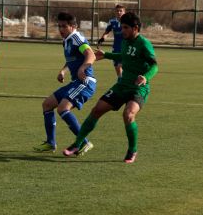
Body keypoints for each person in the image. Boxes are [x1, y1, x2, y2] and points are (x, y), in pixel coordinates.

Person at [63, 12, 158, 163]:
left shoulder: (144, 44)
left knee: (128, 115)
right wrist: (106, 55)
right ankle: (78, 143)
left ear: (136, 28)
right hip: (122, 86)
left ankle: (132, 150)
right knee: (97, 110)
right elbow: (124, 56)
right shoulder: (126, 41)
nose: (122, 31)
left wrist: (146, 77)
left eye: (126, 28)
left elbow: (154, 65)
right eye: (121, 27)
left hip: (138, 88)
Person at [33, 12, 96, 153]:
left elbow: (90, 54)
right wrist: (63, 71)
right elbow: (72, 59)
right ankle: (50, 143)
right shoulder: (67, 40)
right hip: (75, 82)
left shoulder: (76, 38)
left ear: (73, 26)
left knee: (62, 108)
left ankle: (84, 142)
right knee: (47, 104)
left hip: (85, 82)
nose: (61, 29)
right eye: (59, 26)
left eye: (64, 26)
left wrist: (83, 68)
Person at [97, 4, 126, 79]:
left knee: (121, 65)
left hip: (125, 46)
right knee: (117, 68)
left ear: (124, 12)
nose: (119, 12)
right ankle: (121, 83)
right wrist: (102, 39)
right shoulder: (112, 21)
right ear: (115, 12)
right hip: (116, 47)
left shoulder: (127, 21)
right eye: (117, 11)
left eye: (121, 11)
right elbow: (107, 32)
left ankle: (123, 83)